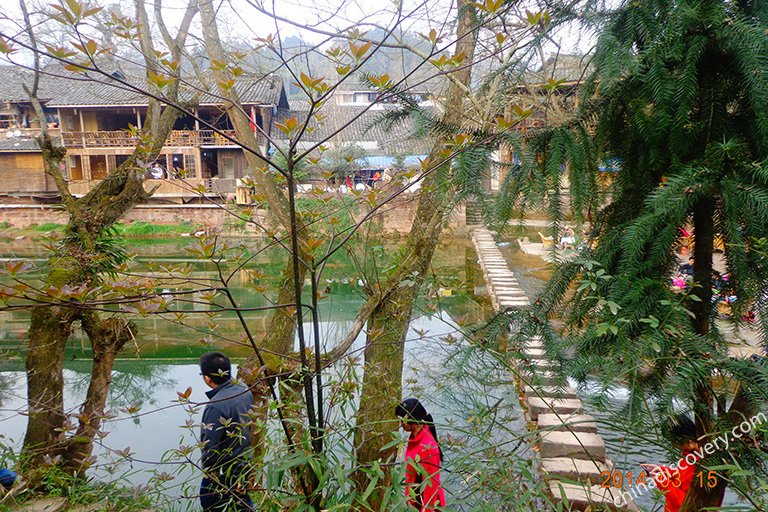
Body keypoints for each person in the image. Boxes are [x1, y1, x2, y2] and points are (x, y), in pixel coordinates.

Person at [199, 352, 254, 511]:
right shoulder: (244, 389)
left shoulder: (215, 406)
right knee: (241, 503)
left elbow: (210, 447)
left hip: (225, 471)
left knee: (212, 505)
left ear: (208, 378)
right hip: (243, 462)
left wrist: (211, 475)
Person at [395, 398, 445, 511]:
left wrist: (427, 509)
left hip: (426, 503)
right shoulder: (414, 437)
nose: (400, 424)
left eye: (402, 420)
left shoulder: (428, 447)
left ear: (412, 419)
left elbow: (431, 485)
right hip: (415, 499)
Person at [648, 415, 700, 512]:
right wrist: (665, 471)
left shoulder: (700, 463)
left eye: (674, 441)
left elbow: (687, 503)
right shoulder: (690, 455)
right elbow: (684, 478)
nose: (673, 445)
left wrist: (664, 483)